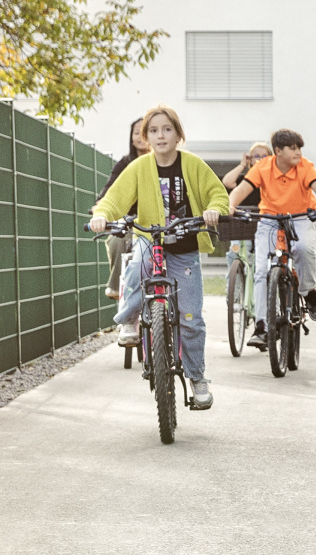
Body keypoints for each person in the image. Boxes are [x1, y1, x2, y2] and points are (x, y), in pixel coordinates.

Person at [89, 106, 231, 411]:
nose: (160, 135)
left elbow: (218, 194)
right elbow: (113, 200)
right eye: (153, 131)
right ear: (146, 137)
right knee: (136, 266)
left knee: (191, 320)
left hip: (185, 250)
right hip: (150, 239)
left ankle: (197, 377)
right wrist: (102, 215)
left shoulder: (192, 164)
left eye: (167, 129)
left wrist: (214, 210)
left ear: (178, 134)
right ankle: (128, 320)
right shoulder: (139, 167)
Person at [228, 128, 316, 349]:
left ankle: (308, 292)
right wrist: (230, 205)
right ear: (278, 151)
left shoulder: (304, 166)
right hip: (270, 218)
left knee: (303, 249)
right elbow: (240, 190)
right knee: (261, 270)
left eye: (299, 148)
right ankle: (261, 326)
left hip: (301, 216)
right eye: (293, 148)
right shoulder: (263, 167)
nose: (298, 152)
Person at [96, 118, 149, 299]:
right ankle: (117, 286)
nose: (140, 137)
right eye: (136, 133)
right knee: (117, 240)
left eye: (144, 132)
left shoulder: (161, 162)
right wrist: (100, 208)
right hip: (130, 218)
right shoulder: (125, 163)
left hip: (157, 218)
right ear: (131, 138)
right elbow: (110, 189)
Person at [220, 141, 270, 271]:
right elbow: (227, 182)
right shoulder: (245, 180)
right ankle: (234, 286)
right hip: (243, 224)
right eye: (257, 156)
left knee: (263, 258)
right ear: (250, 160)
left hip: (263, 222)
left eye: (265, 156)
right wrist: (242, 164)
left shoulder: (272, 180)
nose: (260, 159)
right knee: (236, 251)